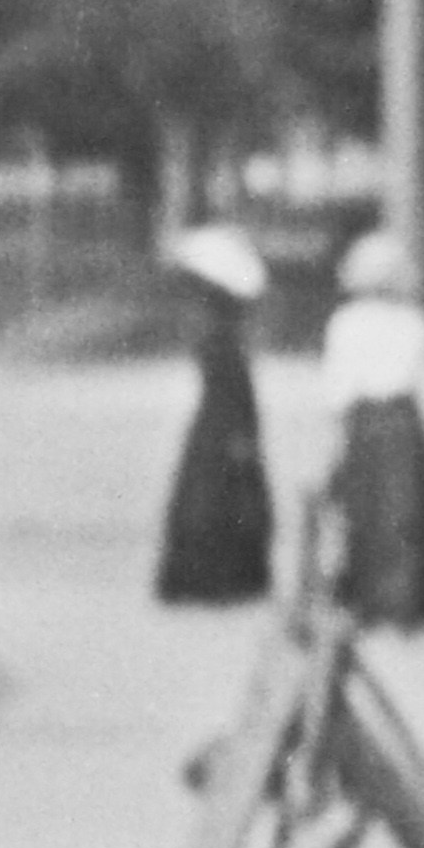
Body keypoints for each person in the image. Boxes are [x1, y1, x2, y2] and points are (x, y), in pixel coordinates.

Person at [323, 217, 424, 632]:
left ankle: (368, 597)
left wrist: (336, 440)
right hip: (403, 420)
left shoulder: (345, 323)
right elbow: (421, 374)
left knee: (365, 511)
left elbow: (339, 387)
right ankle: (409, 599)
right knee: (406, 510)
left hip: (365, 421)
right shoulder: (415, 321)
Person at [151, 216, 277, 606]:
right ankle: (224, 578)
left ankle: (204, 576)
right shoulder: (221, 331)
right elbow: (232, 385)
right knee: (225, 493)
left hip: (213, 420)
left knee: (208, 491)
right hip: (226, 418)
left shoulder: (206, 323)